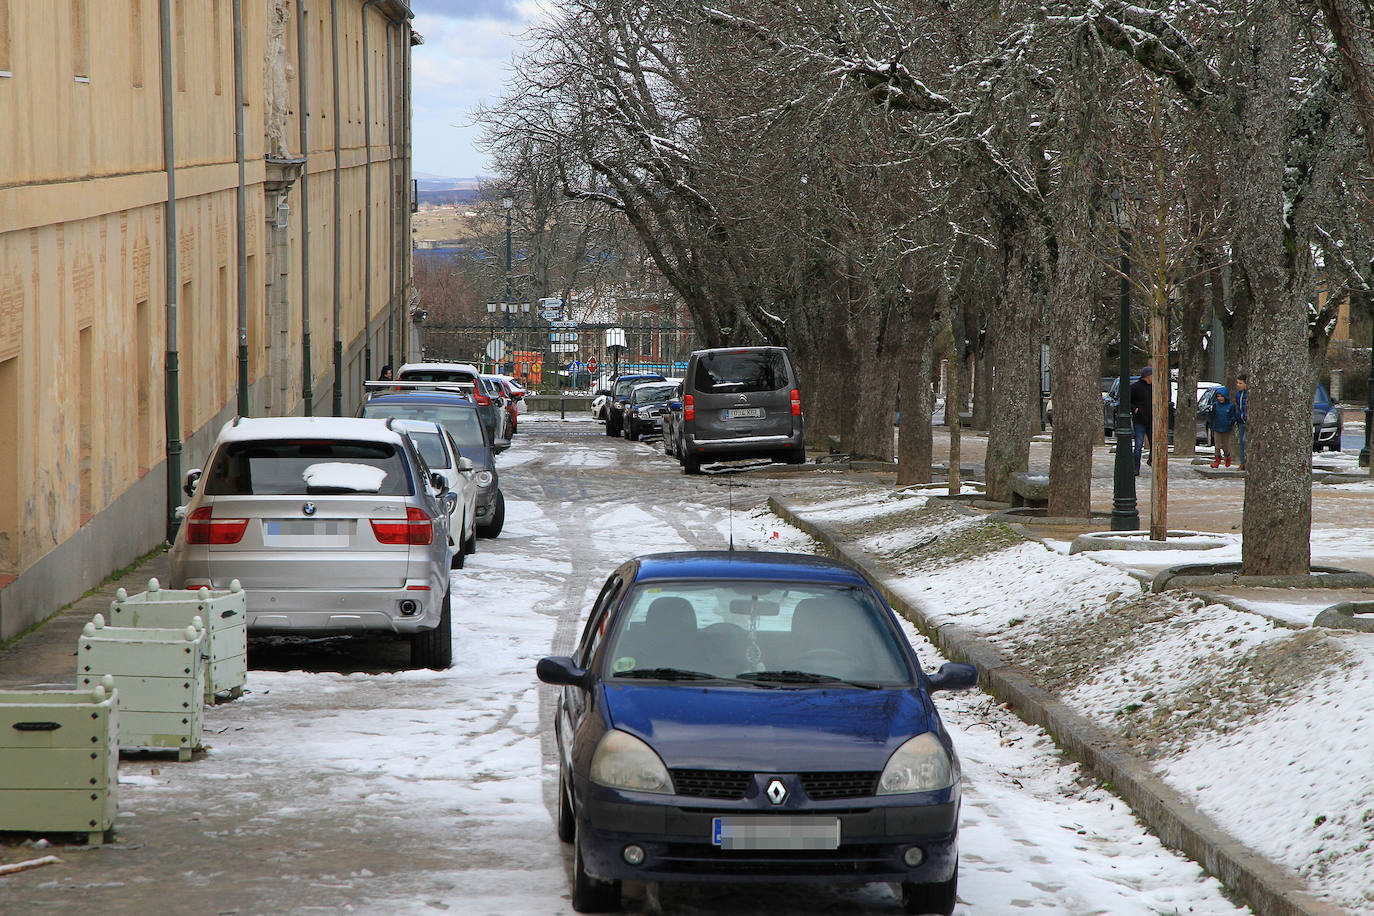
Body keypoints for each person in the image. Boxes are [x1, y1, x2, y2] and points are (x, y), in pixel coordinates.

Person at [1129, 366, 1153, 475]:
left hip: (1151, 420)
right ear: (1147, 376)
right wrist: (1135, 409)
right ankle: (1135, 468)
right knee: (1138, 445)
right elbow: (1127, 402)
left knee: (1155, 444)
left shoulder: (1153, 387)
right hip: (1139, 420)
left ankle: (1151, 460)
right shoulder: (1135, 387)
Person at [1209, 386, 1239, 468]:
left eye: (1221, 396)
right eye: (1218, 396)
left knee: (1225, 445)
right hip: (1217, 427)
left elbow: (1233, 415)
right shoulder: (1215, 405)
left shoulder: (1230, 406)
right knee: (1217, 445)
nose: (1220, 398)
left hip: (1226, 428)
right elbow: (1212, 416)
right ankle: (1217, 460)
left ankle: (1227, 457)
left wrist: (1231, 422)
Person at [1234, 373, 1248, 470]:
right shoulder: (1238, 394)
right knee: (1241, 443)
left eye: (1240, 383)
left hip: (1247, 422)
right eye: (1237, 383)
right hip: (1241, 421)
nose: (1238, 385)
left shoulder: (1247, 394)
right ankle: (1242, 463)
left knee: (1245, 440)